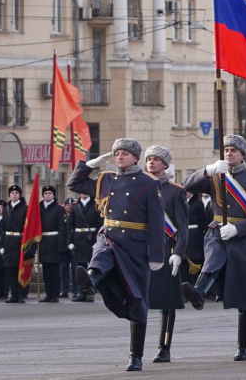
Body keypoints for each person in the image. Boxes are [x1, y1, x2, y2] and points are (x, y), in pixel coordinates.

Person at [68, 138, 165, 372]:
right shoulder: (106, 179)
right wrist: (91, 163)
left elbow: (157, 221)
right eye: (116, 153)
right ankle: (89, 279)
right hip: (109, 235)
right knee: (100, 255)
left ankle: (136, 356)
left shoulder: (149, 183)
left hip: (135, 244)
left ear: (135, 157)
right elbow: (75, 183)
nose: (119, 157)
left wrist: (156, 255)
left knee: (138, 299)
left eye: (124, 153)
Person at [181, 134, 246, 362]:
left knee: (245, 292)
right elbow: (186, 186)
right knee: (213, 260)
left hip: (244, 237)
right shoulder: (216, 174)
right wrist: (207, 171)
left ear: (242, 155)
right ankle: (199, 292)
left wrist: (238, 229)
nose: (228, 154)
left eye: (233, 150)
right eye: (226, 150)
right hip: (217, 230)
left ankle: (243, 346)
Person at [144, 145, 188, 364]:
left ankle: (164, 347)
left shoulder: (175, 191)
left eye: (156, 159)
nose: (151, 162)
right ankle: (136, 350)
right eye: (148, 158)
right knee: (138, 300)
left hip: (165, 251)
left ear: (165, 164)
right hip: (141, 251)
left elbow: (182, 227)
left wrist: (178, 252)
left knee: (166, 303)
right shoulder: (138, 187)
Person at [68, 190, 101, 302]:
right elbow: (70, 225)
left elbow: (99, 224)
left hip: (91, 239)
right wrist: (70, 241)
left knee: (90, 266)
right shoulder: (75, 206)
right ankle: (82, 293)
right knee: (79, 267)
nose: (84, 193)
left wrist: (98, 240)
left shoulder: (95, 205)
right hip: (78, 239)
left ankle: (90, 292)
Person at [39, 185, 67, 303]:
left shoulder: (59, 209)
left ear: (54, 195)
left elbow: (62, 228)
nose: (47, 195)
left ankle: (55, 294)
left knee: (54, 271)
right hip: (43, 241)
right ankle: (48, 294)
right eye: (45, 193)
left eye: (50, 193)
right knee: (46, 270)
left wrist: (61, 245)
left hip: (54, 241)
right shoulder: (39, 208)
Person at [0, 185, 28, 303]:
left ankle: (21, 294)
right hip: (8, 241)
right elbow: (2, 228)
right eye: (12, 193)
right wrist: (1, 245)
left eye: (16, 193)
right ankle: (14, 294)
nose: (14, 195)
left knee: (20, 268)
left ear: (20, 195)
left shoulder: (24, 208)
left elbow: (27, 226)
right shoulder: (6, 209)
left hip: (19, 241)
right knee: (10, 269)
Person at [181, 187, 208, 287]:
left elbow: (203, 220)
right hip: (183, 233)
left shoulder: (197, 203)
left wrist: (200, 233)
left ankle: (194, 286)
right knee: (183, 261)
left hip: (195, 235)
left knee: (194, 260)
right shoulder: (181, 202)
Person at [60, 198, 79, 299]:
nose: (68, 207)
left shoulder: (76, 216)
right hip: (64, 246)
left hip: (73, 245)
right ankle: (64, 290)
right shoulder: (62, 216)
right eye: (67, 205)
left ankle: (76, 290)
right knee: (64, 269)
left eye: (70, 206)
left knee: (75, 269)